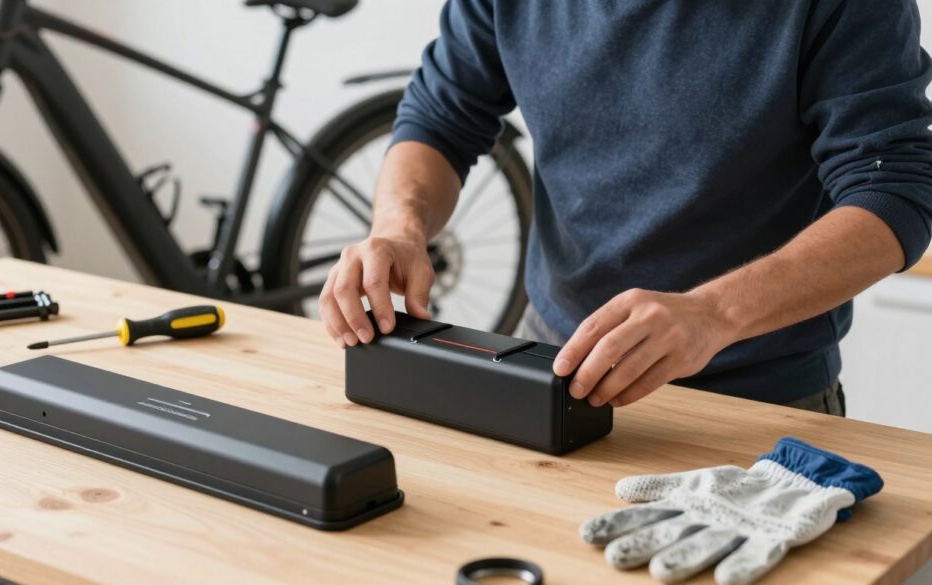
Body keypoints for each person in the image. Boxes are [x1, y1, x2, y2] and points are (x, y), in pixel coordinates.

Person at [318, 1, 932, 415]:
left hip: (757, 398)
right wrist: (399, 228)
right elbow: (441, 115)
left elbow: (895, 187)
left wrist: (712, 313)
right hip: (552, 361)